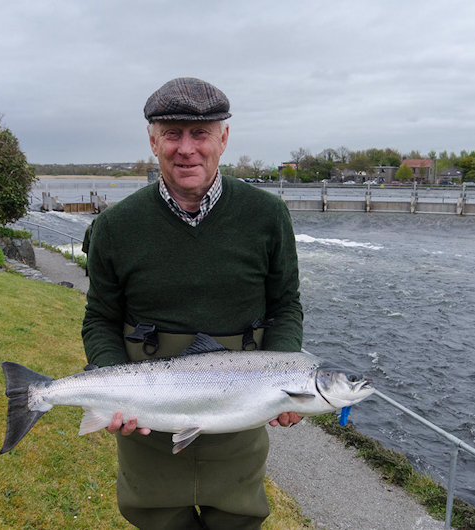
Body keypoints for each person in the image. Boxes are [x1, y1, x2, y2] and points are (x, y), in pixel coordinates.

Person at [82, 77, 304, 529]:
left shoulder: (267, 216)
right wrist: (111, 389)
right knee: (158, 520)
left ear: (224, 138)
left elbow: (285, 307)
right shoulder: (115, 227)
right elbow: (101, 319)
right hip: (148, 422)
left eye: (200, 133)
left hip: (238, 420)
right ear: (152, 141)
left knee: (238, 521)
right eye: (172, 133)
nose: (187, 148)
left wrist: (288, 380)